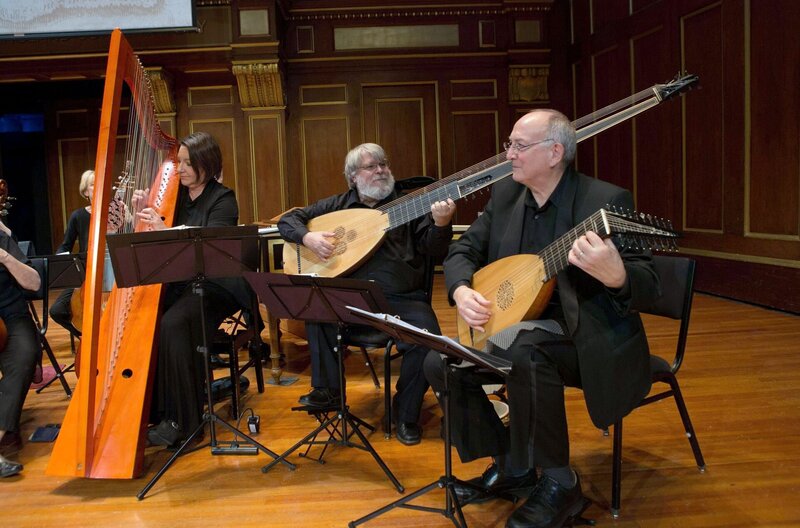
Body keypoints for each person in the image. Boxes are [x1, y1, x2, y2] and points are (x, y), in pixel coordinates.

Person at [423, 109, 661, 527]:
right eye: (508, 145)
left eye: (518, 145)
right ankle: (513, 464)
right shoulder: (506, 197)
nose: (508, 155)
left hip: (587, 338)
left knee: (524, 350)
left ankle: (560, 481)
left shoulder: (604, 201)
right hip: (515, 329)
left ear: (555, 152)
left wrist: (618, 275)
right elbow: (463, 252)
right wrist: (461, 290)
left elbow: (648, 281)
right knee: (438, 359)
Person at [278, 143, 456, 446]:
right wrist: (307, 237)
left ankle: (405, 412)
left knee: (429, 339)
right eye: (371, 166)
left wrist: (441, 224)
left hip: (401, 298)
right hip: (351, 296)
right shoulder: (337, 205)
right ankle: (329, 392)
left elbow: (434, 250)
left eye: (383, 164)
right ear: (352, 177)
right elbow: (288, 221)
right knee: (315, 305)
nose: (381, 170)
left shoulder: (408, 205)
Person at [135, 131, 252, 447]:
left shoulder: (223, 199)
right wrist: (142, 214)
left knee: (174, 324)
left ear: (207, 163)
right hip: (184, 283)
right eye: (179, 162)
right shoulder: (175, 199)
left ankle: (186, 424)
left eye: (188, 163)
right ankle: (159, 411)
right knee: (147, 318)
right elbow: (156, 245)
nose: (181, 169)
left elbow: (211, 250)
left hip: (218, 286)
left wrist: (166, 231)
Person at [0, 218, 42, 477]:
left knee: (25, 354)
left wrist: (4, 257)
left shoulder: (2, 239)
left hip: (12, 316)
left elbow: (34, 283)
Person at [49, 169, 94, 337]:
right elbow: (65, 245)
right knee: (57, 310)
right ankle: (84, 337)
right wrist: (64, 261)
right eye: (92, 185)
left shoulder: (115, 212)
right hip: (84, 273)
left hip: (111, 274)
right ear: (85, 191)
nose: (97, 188)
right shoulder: (78, 216)